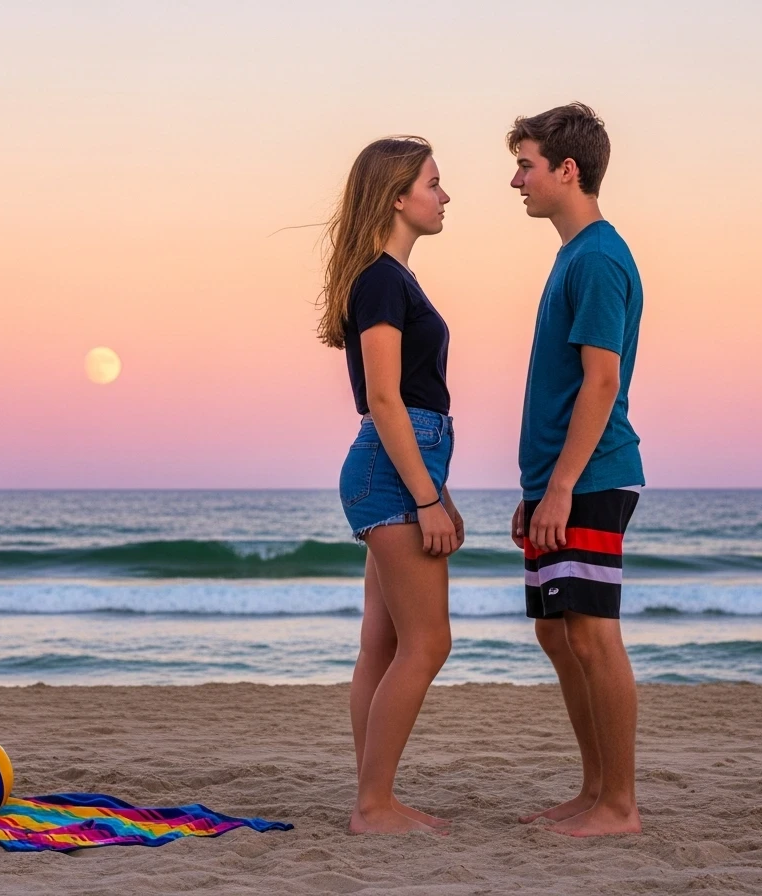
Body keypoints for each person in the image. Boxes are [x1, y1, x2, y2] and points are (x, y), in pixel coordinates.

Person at [506, 103, 645, 837]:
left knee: (592, 635)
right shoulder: (572, 255)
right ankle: (594, 791)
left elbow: (600, 382)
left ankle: (619, 806)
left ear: (567, 170)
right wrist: (538, 491)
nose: (515, 179)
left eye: (526, 164)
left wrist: (560, 485)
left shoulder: (596, 257)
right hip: (560, 481)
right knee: (559, 636)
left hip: (591, 477)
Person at [318, 136, 463, 834]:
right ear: (397, 195)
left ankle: (372, 797)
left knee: (382, 645)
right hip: (392, 466)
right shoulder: (380, 279)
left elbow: (401, 398)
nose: (444, 196)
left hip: (400, 466)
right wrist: (426, 496)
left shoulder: (391, 278)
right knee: (428, 643)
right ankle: (374, 804)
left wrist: (437, 487)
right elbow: (384, 397)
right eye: (434, 183)